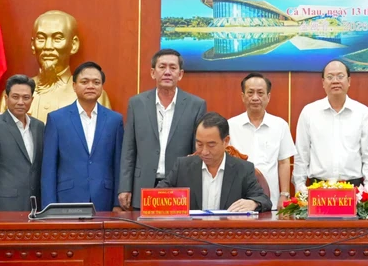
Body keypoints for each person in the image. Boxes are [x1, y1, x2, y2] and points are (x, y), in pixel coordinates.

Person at [118, 49, 206, 210]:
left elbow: (197, 152)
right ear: (153, 72)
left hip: (179, 187)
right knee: (144, 234)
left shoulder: (196, 105)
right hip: (143, 185)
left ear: (180, 74)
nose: (167, 72)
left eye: (172, 68)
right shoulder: (137, 103)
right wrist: (124, 187)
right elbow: (129, 149)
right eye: (162, 67)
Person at [0, 10, 111, 122]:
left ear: (73, 45)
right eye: (41, 38)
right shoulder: (13, 94)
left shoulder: (92, 95)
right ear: (33, 45)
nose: (48, 46)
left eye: (57, 39)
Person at [41, 61, 123, 211]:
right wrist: (49, 206)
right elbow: (49, 167)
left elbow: (118, 164)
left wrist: (117, 203)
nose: (90, 86)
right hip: (67, 199)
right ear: (74, 86)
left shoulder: (114, 120)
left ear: (102, 87)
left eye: (96, 82)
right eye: (84, 82)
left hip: (104, 199)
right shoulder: (57, 119)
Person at [293, 60, 368, 195]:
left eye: (340, 76)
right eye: (330, 77)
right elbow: (301, 154)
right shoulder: (309, 112)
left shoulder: (363, 113)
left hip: (354, 190)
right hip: (317, 189)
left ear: (349, 81)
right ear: (323, 83)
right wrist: (300, 187)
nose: (335, 81)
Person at [158, 112, 272, 212]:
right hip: (191, 233)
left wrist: (253, 203)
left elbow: (264, 199)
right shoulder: (182, 166)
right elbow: (157, 195)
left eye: (211, 145)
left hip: (229, 233)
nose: (204, 152)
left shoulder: (243, 169)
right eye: (199, 144)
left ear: (226, 141)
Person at [228, 72, 296, 209]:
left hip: (271, 200)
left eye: (260, 93)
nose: (255, 98)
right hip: (239, 200)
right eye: (250, 93)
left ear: (268, 97)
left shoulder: (280, 125)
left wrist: (284, 194)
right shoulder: (230, 125)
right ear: (242, 96)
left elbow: (283, 162)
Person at [0, 75, 45, 211]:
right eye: (15, 97)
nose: (21, 102)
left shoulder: (39, 126)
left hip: (36, 205)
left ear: (32, 100)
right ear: (6, 98)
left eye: (26, 98)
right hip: (6, 206)